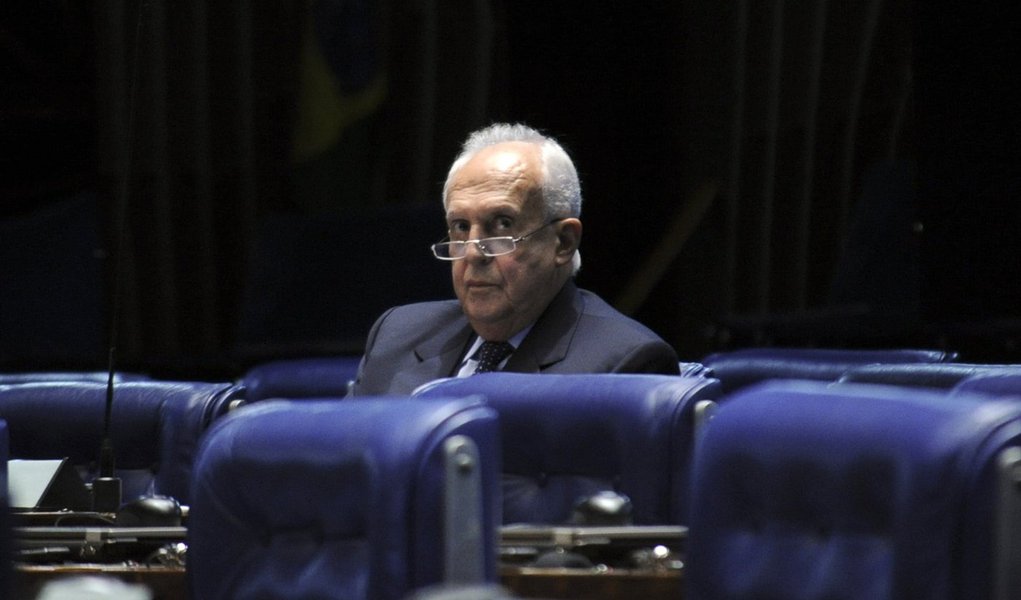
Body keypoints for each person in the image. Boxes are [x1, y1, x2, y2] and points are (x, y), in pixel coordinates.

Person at [351, 123, 679, 395]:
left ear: (563, 243)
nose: (475, 252)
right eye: (461, 227)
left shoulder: (624, 363)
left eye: (502, 224)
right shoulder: (397, 333)